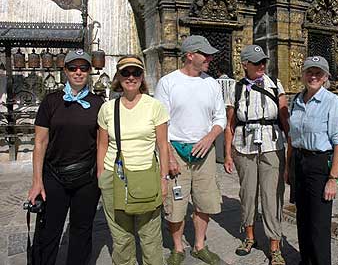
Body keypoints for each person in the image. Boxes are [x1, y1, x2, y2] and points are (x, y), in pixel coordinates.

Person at [154, 35, 226, 265]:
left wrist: (210, 137)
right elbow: (160, 123)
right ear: (190, 55)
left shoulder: (211, 83)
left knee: (205, 201)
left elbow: (220, 117)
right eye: (205, 54)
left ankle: (199, 245)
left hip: (205, 153)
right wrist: (168, 156)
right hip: (176, 152)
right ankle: (177, 247)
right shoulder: (168, 83)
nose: (210, 58)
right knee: (175, 205)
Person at [27, 49, 103, 265]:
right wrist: (36, 182)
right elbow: (40, 142)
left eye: (83, 68)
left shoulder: (98, 104)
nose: (78, 72)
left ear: (89, 72)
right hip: (54, 176)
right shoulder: (51, 101)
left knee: (81, 231)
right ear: (65, 71)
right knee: (49, 230)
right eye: (73, 68)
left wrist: (100, 176)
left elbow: (101, 143)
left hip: (86, 178)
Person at [97, 55, 169, 265]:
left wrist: (164, 179)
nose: (131, 77)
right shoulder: (108, 108)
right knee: (121, 238)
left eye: (136, 72)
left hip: (146, 174)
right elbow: (101, 144)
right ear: (118, 77)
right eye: (125, 73)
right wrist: (101, 174)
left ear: (142, 77)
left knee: (151, 236)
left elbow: (162, 145)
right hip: (114, 176)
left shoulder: (154, 106)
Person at [223, 45, 289, 265]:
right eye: (256, 62)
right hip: (244, 146)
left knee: (272, 196)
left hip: (272, 145)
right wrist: (227, 154)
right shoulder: (237, 88)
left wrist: (292, 150)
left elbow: (284, 119)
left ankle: (274, 245)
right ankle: (249, 237)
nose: (261, 65)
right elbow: (230, 124)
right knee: (248, 193)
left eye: (263, 61)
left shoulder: (275, 85)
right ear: (245, 65)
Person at [286, 56, 338, 265]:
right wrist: (288, 168)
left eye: (318, 73)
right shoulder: (296, 100)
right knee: (302, 219)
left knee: (319, 224)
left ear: (325, 77)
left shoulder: (332, 102)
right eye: (309, 72)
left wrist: (333, 178)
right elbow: (292, 139)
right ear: (303, 74)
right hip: (299, 161)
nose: (313, 76)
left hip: (320, 164)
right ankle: (306, 261)